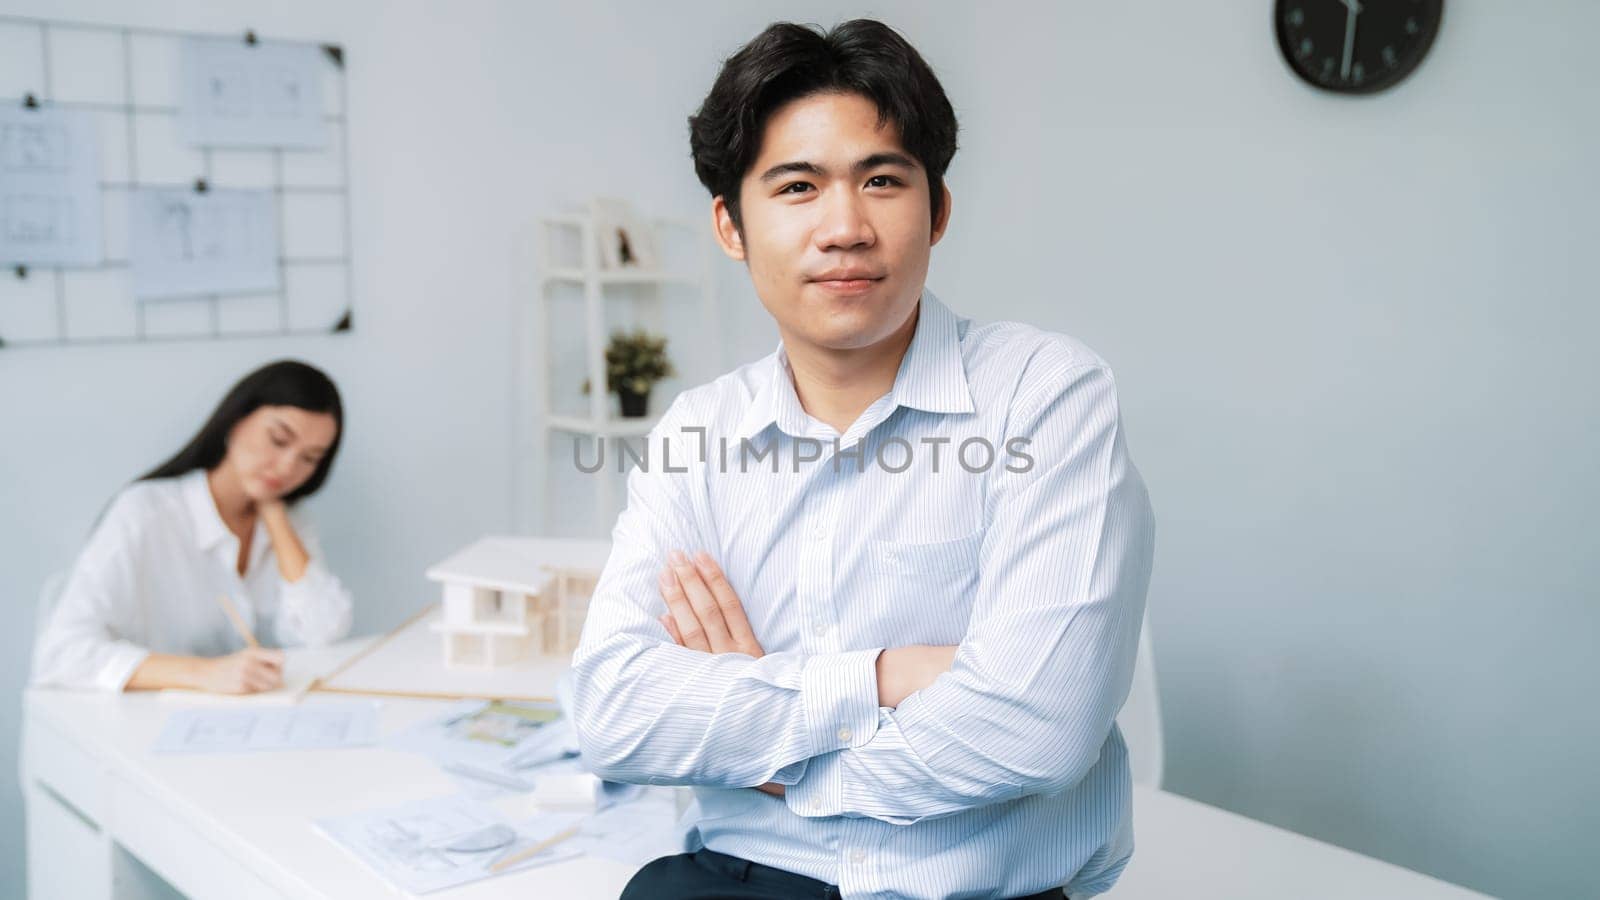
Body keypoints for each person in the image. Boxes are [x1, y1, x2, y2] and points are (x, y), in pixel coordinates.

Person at [570, 19, 1156, 900]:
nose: (844, 228)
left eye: (882, 180)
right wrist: (881, 677)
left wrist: (772, 760)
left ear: (939, 210)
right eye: (797, 186)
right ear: (730, 225)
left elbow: (1039, 725)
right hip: (737, 877)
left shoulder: (1047, 396)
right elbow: (614, 713)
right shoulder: (698, 434)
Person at [31, 359, 355, 695]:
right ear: (235, 421)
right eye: (278, 440)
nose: (289, 466)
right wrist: (204, 673)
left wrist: (273, 512)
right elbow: (59, 653)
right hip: (142, 720)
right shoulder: (146, 511)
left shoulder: (291, 521)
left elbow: (323, 632)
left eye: (310, 458)